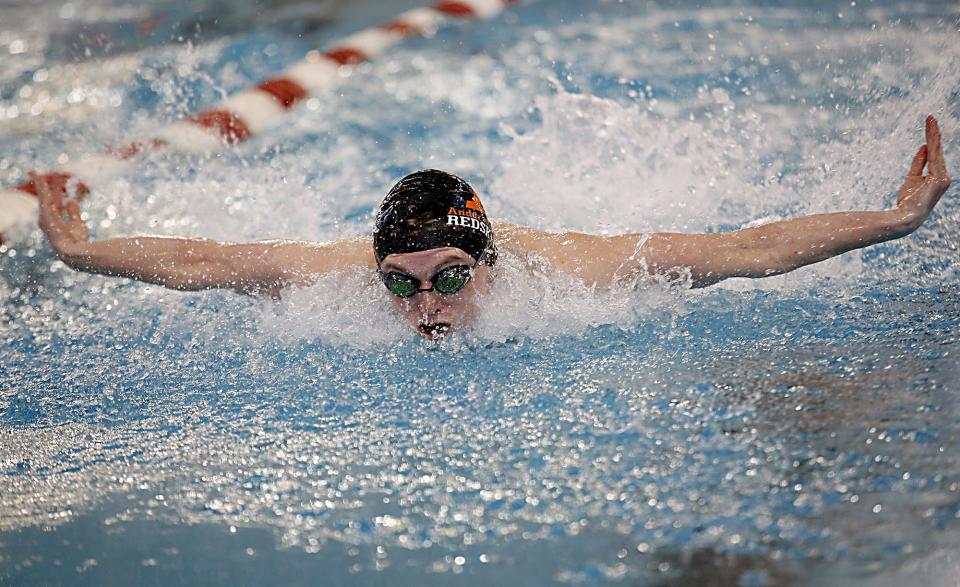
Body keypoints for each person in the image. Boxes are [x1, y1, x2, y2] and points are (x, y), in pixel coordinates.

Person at [36, 116, 951, 338]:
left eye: (445, 279)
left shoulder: (580, 278)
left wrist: (894, 220)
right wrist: (81, 253)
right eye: (401, 283)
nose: (423, 307)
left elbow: (741, 251)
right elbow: (210, 262)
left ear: (488, 257)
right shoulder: (345, 276)